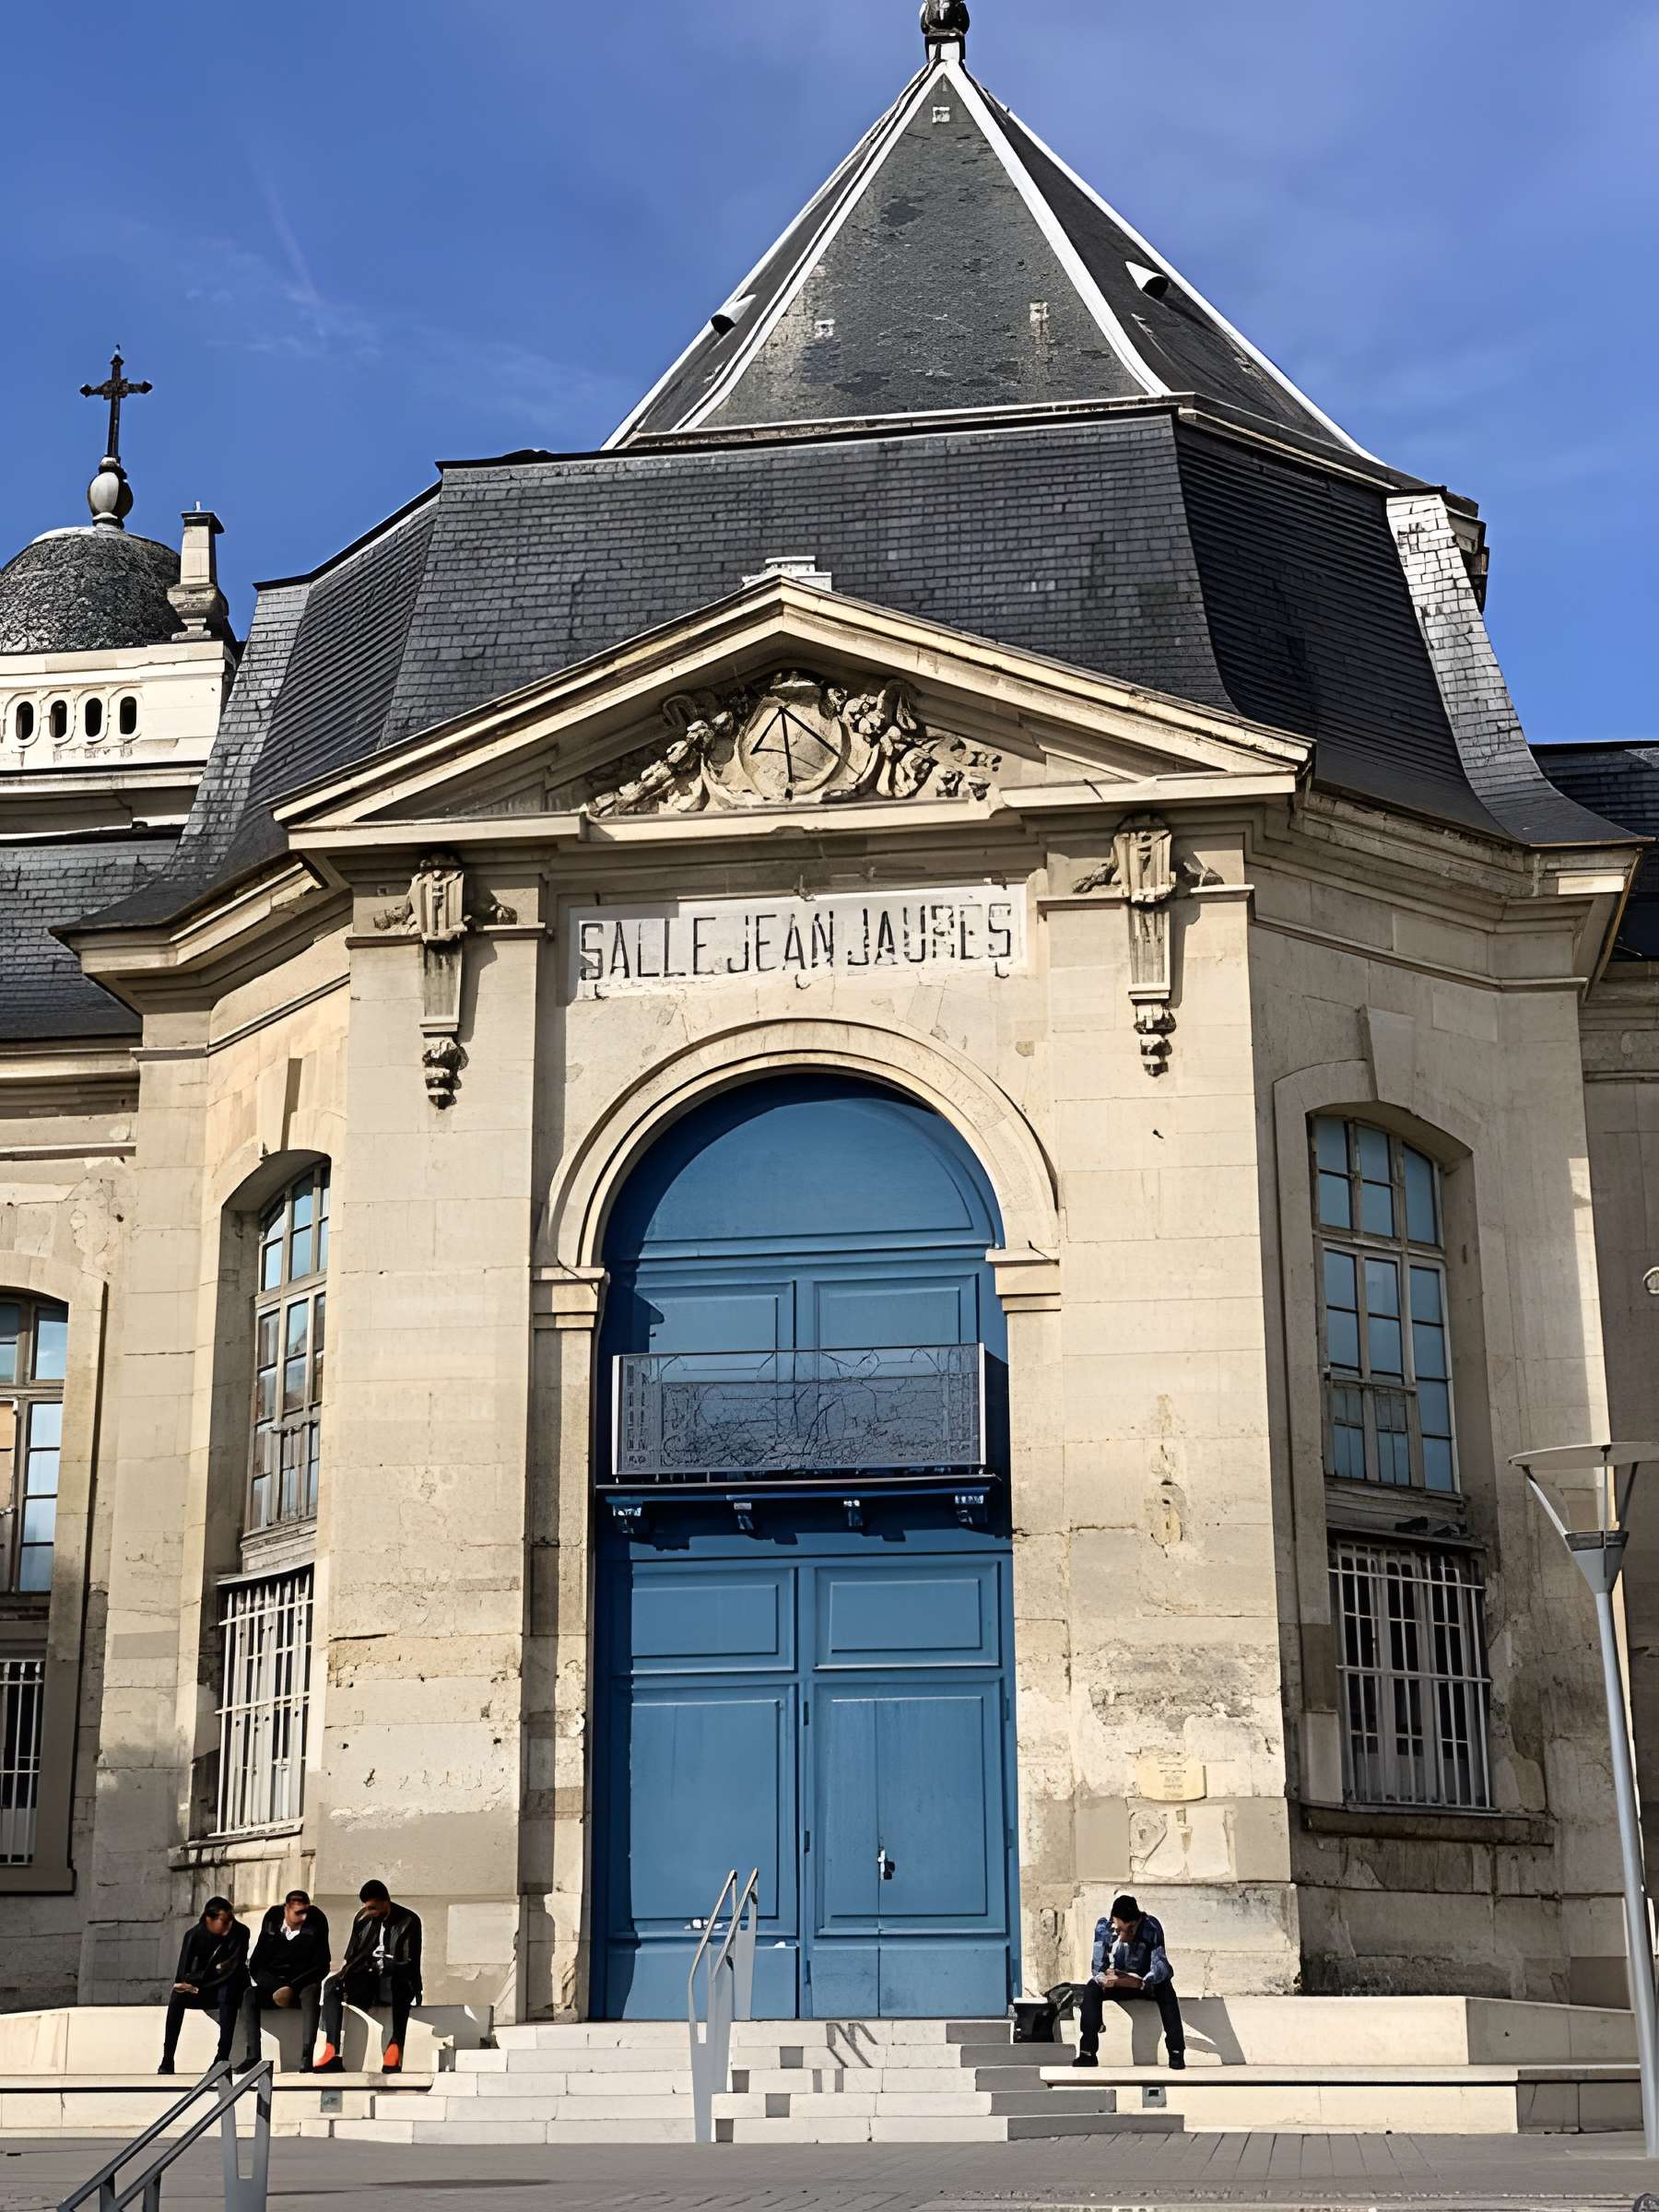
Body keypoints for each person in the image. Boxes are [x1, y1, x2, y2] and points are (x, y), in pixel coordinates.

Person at [314, 1880, 423, 2075]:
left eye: (373, 1907)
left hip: (394, 1978)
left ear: (385, 1902)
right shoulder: (362, 1918)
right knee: (332, 1984)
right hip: (367, 1978)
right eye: (366, 1907)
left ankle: (395, 2047)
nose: (369, 1911)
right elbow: (352, 1955)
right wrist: (347, 1974)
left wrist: (387, 1965)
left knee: (400, 1984)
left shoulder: (409, 1920)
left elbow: (411, 1964)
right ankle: (332, 2051)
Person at [1072, 1892, 1185, 2070]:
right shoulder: (1104, 1928)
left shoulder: (1150, 1927)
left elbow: (1161, 1966)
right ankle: (1087, 2053)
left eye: (1129, 1930)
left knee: (1166, 1989)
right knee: (1092, 1988)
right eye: (1118, 1930)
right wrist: (1106, 1979)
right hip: (1116, 1982)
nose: (1123, 1935)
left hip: (1143, 1983)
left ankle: (1176, 2051)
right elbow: (1097, 1967)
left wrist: (1140, 1981)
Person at [236, 1889, 332, 2073]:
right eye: (298, 1912)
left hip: (302, 1984)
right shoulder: (272, 1920)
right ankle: (253, 2055)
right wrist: (277, 1987)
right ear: (286, 1909)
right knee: (249, 1995)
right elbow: (256, 1965)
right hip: (275, 1985)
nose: (302, 1917)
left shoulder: (317, 1921)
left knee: (311, 1993)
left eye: (305, 1912)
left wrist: (292, 1987)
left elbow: (322, 1965)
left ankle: (306, 2056)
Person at [158, 1898, 250, 2075]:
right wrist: (203, 1979)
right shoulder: (194, 1935)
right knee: (177, 1998)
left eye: (231, 1920)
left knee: (227, 1993)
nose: (229, 1925)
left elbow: (232, 1968)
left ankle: (222, 2057)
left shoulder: (240, 1932)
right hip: (204, 1989)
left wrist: (200, 1979)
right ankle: (167, 2059)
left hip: (228, 1988)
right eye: (224, 1921)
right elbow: (182, 1975)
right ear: (209, 1920)